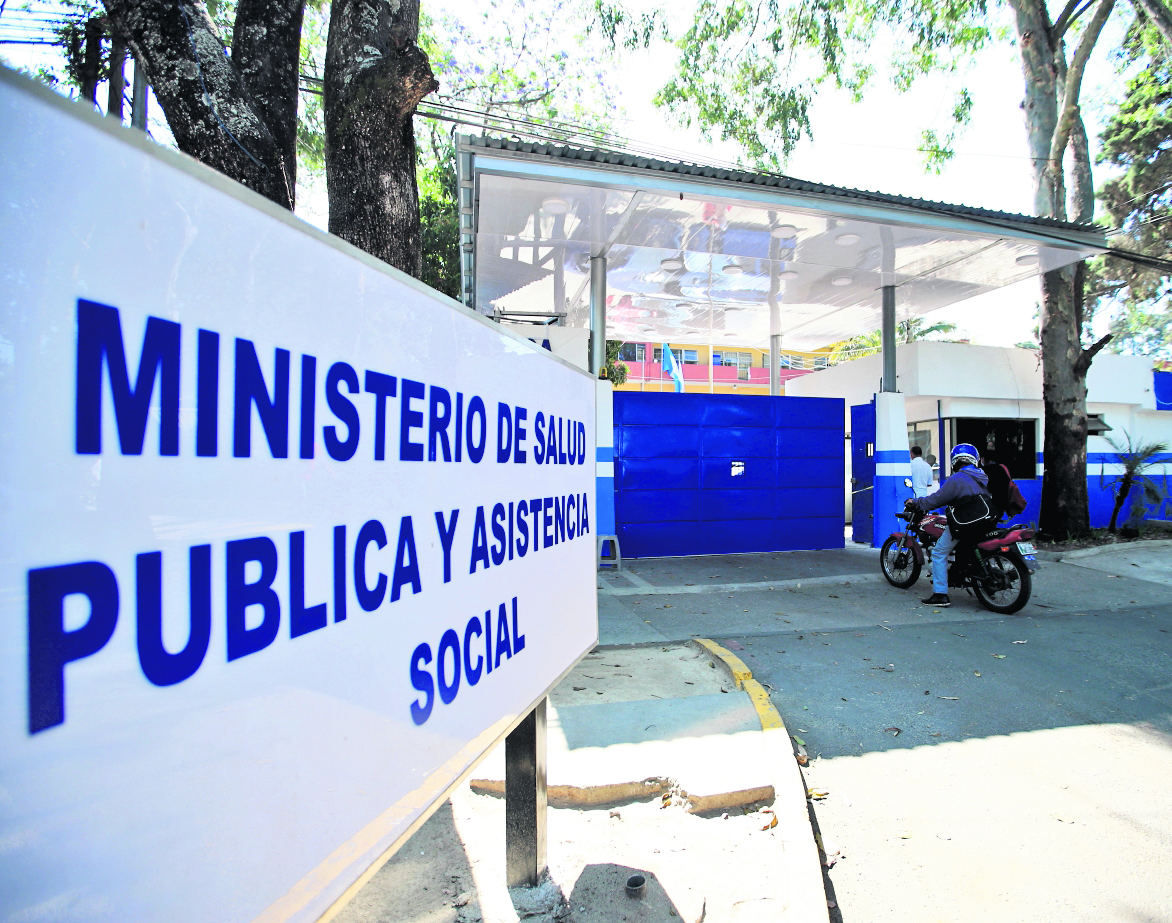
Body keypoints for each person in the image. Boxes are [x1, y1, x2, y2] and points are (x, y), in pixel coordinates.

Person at [904, 443, 993, 607]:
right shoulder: (982, 476)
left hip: (965, 522)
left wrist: (917, 502)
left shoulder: (958, 479)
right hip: (984, 521)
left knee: (938, 553)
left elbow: (936, 499)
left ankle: (940, 594)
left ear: (955, 460)